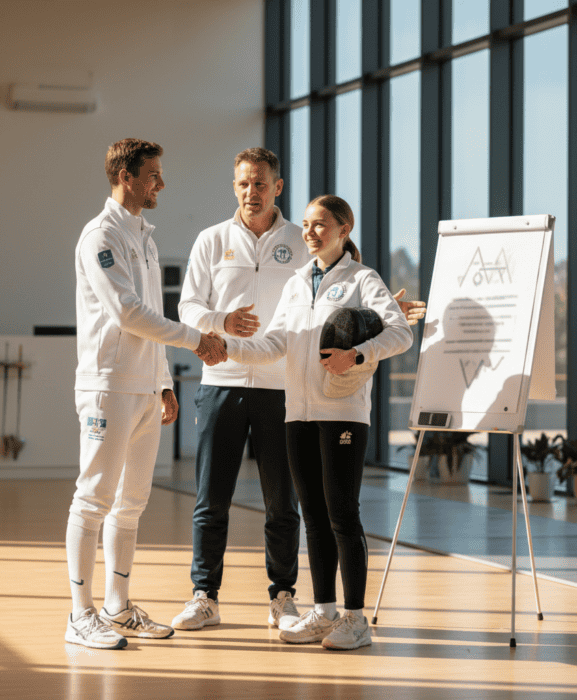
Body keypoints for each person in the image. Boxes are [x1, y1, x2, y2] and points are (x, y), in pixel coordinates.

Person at [173, 148, 424, 632]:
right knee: (257, 506)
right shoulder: (247, 257)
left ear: (277, 187)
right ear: (235, 185)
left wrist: (363, 344)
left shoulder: (335, 263)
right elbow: (261, 335)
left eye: (261, 183)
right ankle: (237, 599)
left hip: (313, 402)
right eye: (244, 183)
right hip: (263, 399)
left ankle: (318, 606)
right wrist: (222, 340)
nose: (252, 192)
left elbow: (380, 324)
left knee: (315, 511)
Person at [223, 194, 414, 651]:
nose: (309, 232)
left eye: (319, 224)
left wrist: (357, 354)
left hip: (341, 413)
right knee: (313, 516)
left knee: (343, 515)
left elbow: (401, 333)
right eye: (305, 224)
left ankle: (355, 618)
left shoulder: (363, 279)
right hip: (299, 413)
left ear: (343, 230)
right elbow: (275, 344)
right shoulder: (295, 283)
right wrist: (225, 346)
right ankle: (324, 610)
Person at [65, 138, 227, 650]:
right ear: (125, 176)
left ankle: (117, 607)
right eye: (153, 174)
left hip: (142, 389)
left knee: (131, 504)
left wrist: (163, 381)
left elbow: (151, 312)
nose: (161, 183)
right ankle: (79, 614)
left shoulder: (147, 238)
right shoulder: (100, 236)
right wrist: (197, 340)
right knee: (92, 500)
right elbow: (129, 313)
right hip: (107, 388)